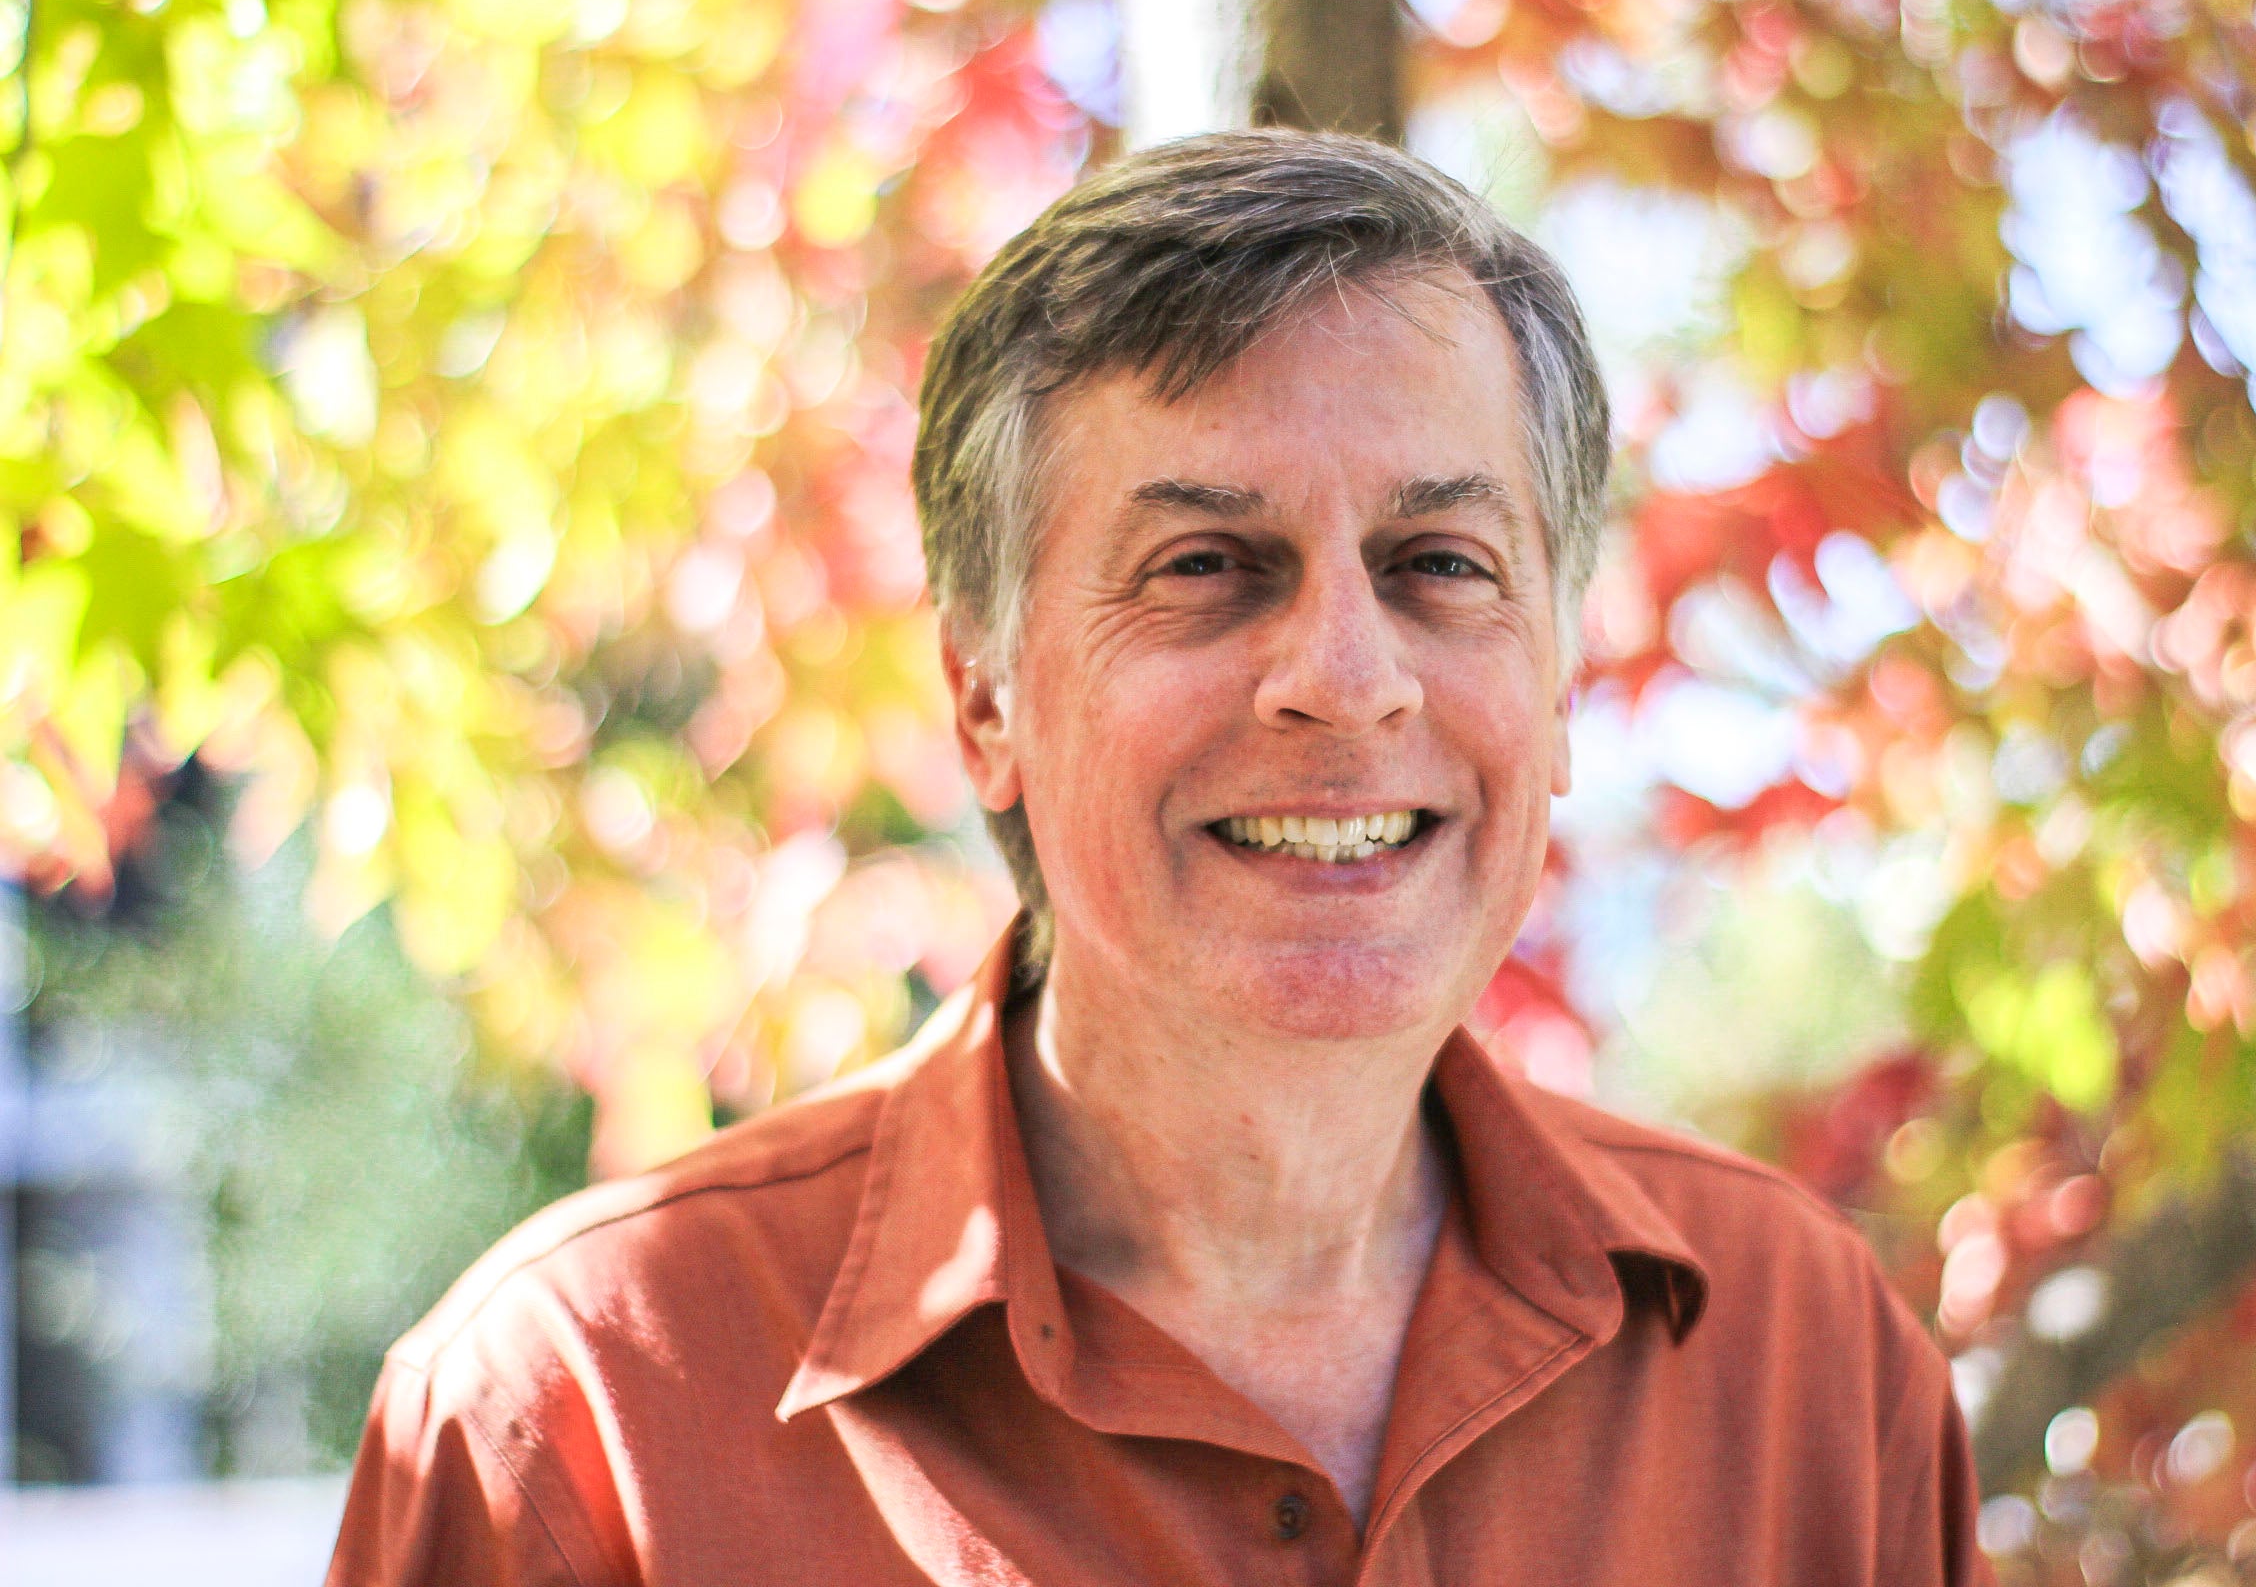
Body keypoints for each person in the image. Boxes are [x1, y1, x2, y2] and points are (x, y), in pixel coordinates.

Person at [326, 130, 1982, 1586]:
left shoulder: (1810, 1371)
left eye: (1438, 562)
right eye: (1207, 563)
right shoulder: (578, 1416)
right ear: (986, 697)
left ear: (1554, 686)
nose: (1345, 672)